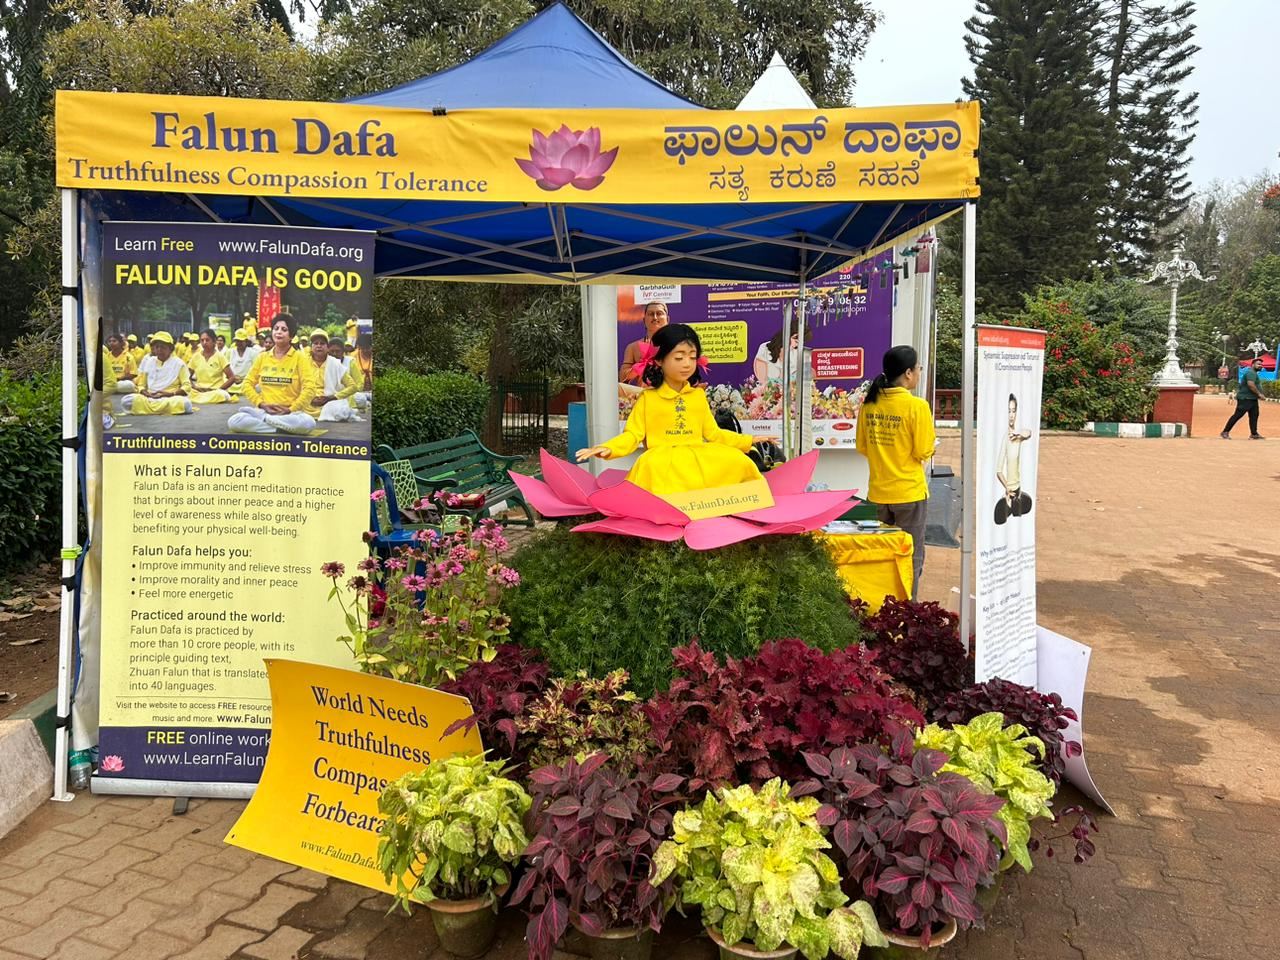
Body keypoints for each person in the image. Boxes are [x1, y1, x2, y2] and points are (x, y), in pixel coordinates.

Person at [577, 323, 777, 496]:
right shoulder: (648, 398)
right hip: (661, 460)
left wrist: (749, 440)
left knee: (737, 461)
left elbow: (713, 434)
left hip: (698, 455)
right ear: (659, 360)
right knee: (651, 469)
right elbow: (632, 435)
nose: (687, 364)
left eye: (692, 357)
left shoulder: (697, 396)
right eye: (679, 357)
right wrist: (609, 447)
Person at [855, 345, 936, 598]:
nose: (919, 373)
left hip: (878, 494)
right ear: (908, 373)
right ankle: (908, 610)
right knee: (911, 556)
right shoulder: (917, 406)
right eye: (918, 368)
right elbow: (923, 451)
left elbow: (863, 447)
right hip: (909, 494)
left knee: (881, 555)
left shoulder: (869, 405)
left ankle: (882, 607)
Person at [227, 315, 317, 435]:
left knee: (308, 423)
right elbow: (247, 384)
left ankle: (268, 423)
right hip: (264, 411)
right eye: (276, 328)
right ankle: (278, 426)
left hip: (290, 414)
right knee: (235, 421)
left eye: (284, 330)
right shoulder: (262, 357)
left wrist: (291, 409)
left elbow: (310, 388)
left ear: (291, 336)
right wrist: (261, 404)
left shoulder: (300, 358)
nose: (279, 332)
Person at [121, 331, 193, 415]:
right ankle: (163, 409)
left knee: (185, 403)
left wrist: (169, 394)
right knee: (126, 401)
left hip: (170, 398)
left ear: (170, 348)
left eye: (163, 347)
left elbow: (187, 386)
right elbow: (141, 385)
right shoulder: (149, 361)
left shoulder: (179, 363)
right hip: (150, 398)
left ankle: (152, 409)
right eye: (157, 347)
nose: (159, 350)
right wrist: (146, 394)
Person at [303, 329, 361, 421]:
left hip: (329, 404)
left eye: (322, 343)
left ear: (327, 347)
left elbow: (353, 387)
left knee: (340, 411)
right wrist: (309, 398)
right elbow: (294, 386)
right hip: (306, 403)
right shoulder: (302, 362)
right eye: (315, 343)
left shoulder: (335, 364)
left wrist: (331, 397)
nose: (319, 346)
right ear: (311, 346)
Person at [995, 393, 1034, 524]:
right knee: (1000, 518)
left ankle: (1015, 503)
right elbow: (998, 470)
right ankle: (1007, 503)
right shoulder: (1005, 439)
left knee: (1027, 506)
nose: (1011, 415)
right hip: (1009, 490)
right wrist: (1007, 487)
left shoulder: (1018, 436)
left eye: (1013, 411)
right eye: (1008, 411)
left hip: (1018, 488)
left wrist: (1018, 434)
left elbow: (1028, 433)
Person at [619, 301, 669, 381]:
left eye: (659, 313)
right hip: (643, 392)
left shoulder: (678, 344)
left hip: (672, 392)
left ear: (667, 319)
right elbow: (623, 378)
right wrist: (641, 365)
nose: (655, 317)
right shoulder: (633, 347)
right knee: (620, 388)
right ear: (644, 320)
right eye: (650, 314)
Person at [753, 316, 808, 383]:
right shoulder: (765, 348)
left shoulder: (797, 353)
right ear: (786, 335)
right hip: (767, 392)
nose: (796, 345)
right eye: (796, 341)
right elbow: (762, 380)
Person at [187, 328, 235, 404]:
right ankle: (202, 398)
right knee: (188, 393)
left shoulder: (220, 356)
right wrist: (194, 387)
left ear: (214, 341)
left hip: (215, 391)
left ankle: (202, 399)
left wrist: (219, 389)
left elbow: (232, 378)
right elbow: (187, 377)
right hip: (199, 391)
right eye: (202, 340)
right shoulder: (196, 356)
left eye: (207, 340)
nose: (204, 343)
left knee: (221, 395)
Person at [1222, 357, 1265, 439]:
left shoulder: (1253, 373)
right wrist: (1259, 394)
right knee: (1237, 415)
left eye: (1261, 364)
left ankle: (1254, 434)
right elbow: (1251, 385)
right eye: (1258, 364)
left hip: (1252, 399)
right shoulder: (1251, 373)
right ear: (1253, 365)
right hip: (1245, 398)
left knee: (1254, 416)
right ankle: (1225, 431)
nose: (1260, 366)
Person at [226, 331, 258, 395]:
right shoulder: (229, 352)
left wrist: (245, 379)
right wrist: (233, 378)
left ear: (246, 342)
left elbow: (256, 370)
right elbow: (225, 368)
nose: (239, 343)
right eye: (237, 341)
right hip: (232, 381)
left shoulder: (253, 353)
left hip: (247, 381)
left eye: (241, 341)